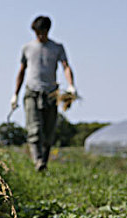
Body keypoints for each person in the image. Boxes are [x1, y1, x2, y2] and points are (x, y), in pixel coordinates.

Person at [10, 16, 77, 171]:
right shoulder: (27, 48)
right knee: (34, 129)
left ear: (48, 30)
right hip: (32, 92)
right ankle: (38, 161)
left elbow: (66, 67)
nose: (40, 36)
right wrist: (15, 94)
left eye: (43, 32)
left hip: (51, 94)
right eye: (38, 33)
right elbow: (21, 71)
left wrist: (71, 86)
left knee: (48, 132)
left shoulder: (57, 47)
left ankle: (44, 163)